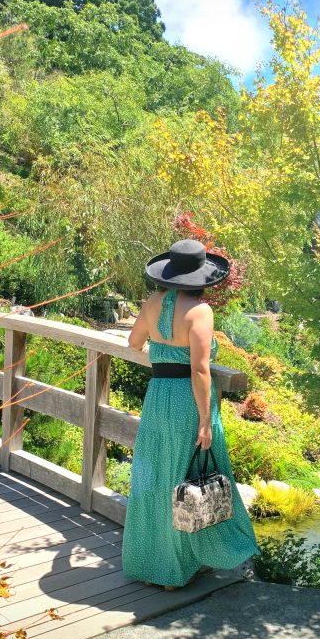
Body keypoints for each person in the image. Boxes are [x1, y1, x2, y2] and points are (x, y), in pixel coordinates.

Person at [122, 239, 259, 590]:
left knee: (156, 478)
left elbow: (134, 343)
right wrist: (203, 420)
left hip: (157, 397)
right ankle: (179, 567)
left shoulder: (153, 302)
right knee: (187, 477)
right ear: (201, 277)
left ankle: (151, 562)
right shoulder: (200, 312)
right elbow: (200, 370)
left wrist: (161, 345)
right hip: (187, 400)